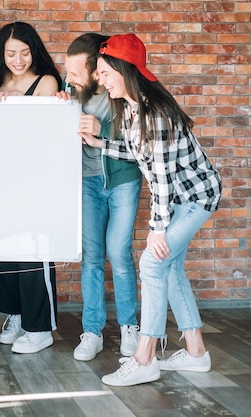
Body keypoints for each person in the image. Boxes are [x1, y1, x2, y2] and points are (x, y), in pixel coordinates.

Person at [79, 34, 222, 386]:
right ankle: (196, 352)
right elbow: (139, 155)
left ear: (123, 71)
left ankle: (144, 358)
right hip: (179, 198)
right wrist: (102, 144)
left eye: (104, 72)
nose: (100, 79)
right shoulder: (131, 108)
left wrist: (157, 228)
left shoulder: (151, 114)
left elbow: (159, 180)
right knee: (169, 269)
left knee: (152, 262)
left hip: (195, 197)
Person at [60, 33, 142, 362]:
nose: (68, 79)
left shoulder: (122, 92)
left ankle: (129, 329)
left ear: (97, 72)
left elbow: (140, 145)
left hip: (122, 180)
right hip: (87, 181)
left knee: (119, 254)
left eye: (75, 73)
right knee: (92, 257)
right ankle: (91, 331)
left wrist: (101, 129)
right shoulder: (70, 94)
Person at [0, 21, 61, 354]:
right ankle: (17, 316)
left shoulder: (45, 81)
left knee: (34, 253)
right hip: (3, 178)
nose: (18, 60)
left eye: (25, 52)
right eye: (11, 53)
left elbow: (36, 129)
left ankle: (40, 327)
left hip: (35, 179)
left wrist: (11, 99)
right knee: (9, 253)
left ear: (35, 51)